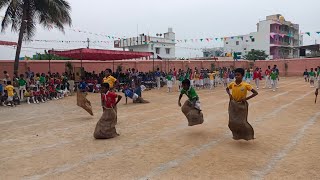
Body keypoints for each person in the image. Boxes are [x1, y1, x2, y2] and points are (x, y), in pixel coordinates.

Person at [226, 68, 258, 140]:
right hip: (233, 104)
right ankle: (236, 135)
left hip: (242, 105)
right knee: (232, 121)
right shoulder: (232, 84)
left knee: (242, 122)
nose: (236, 76)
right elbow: (227, 89)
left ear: (242, 76)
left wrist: (246, 99)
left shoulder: (245, 85)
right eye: (235, 75)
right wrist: (229, 94)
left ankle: (248, 135)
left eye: (238, 75)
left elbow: (255, 93)